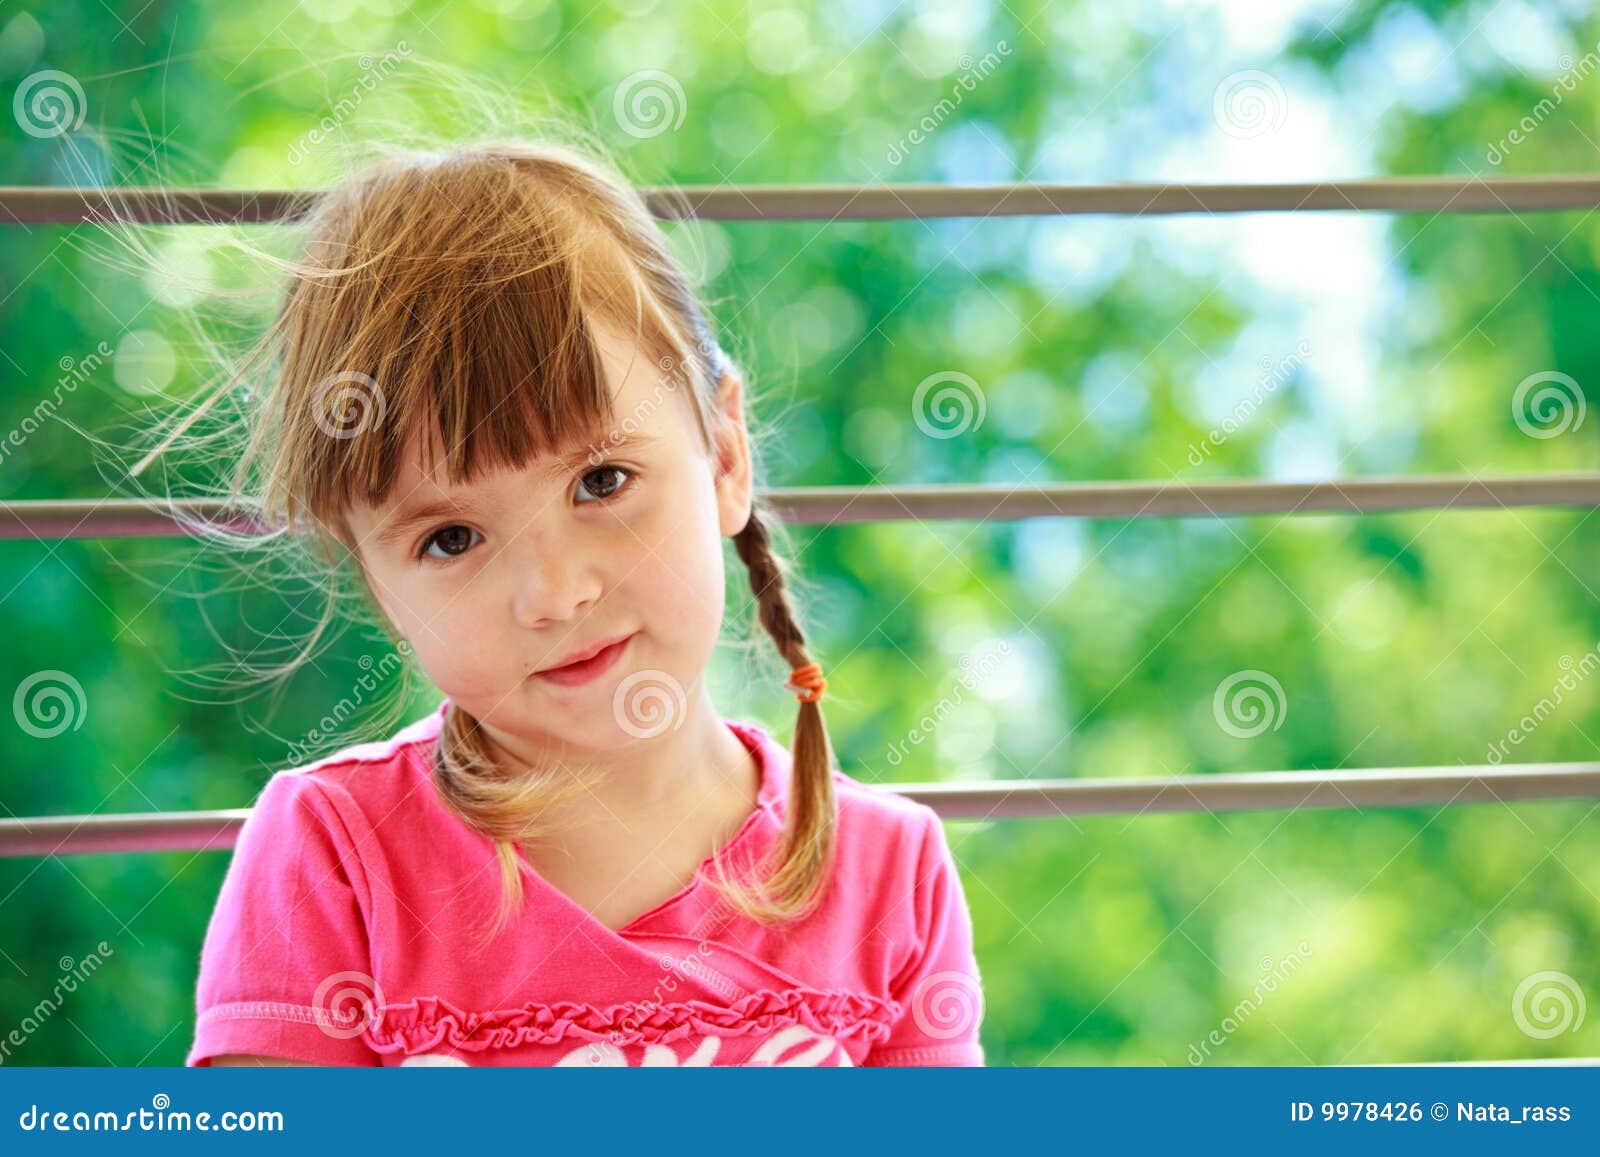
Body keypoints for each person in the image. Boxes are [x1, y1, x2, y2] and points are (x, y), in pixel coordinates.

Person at [168, 139, 984, 1066]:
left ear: (724, 455)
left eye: (602, 481)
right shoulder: (337, 859)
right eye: (451, 539)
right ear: (376, 581)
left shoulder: (889, 872)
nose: (555, 593)